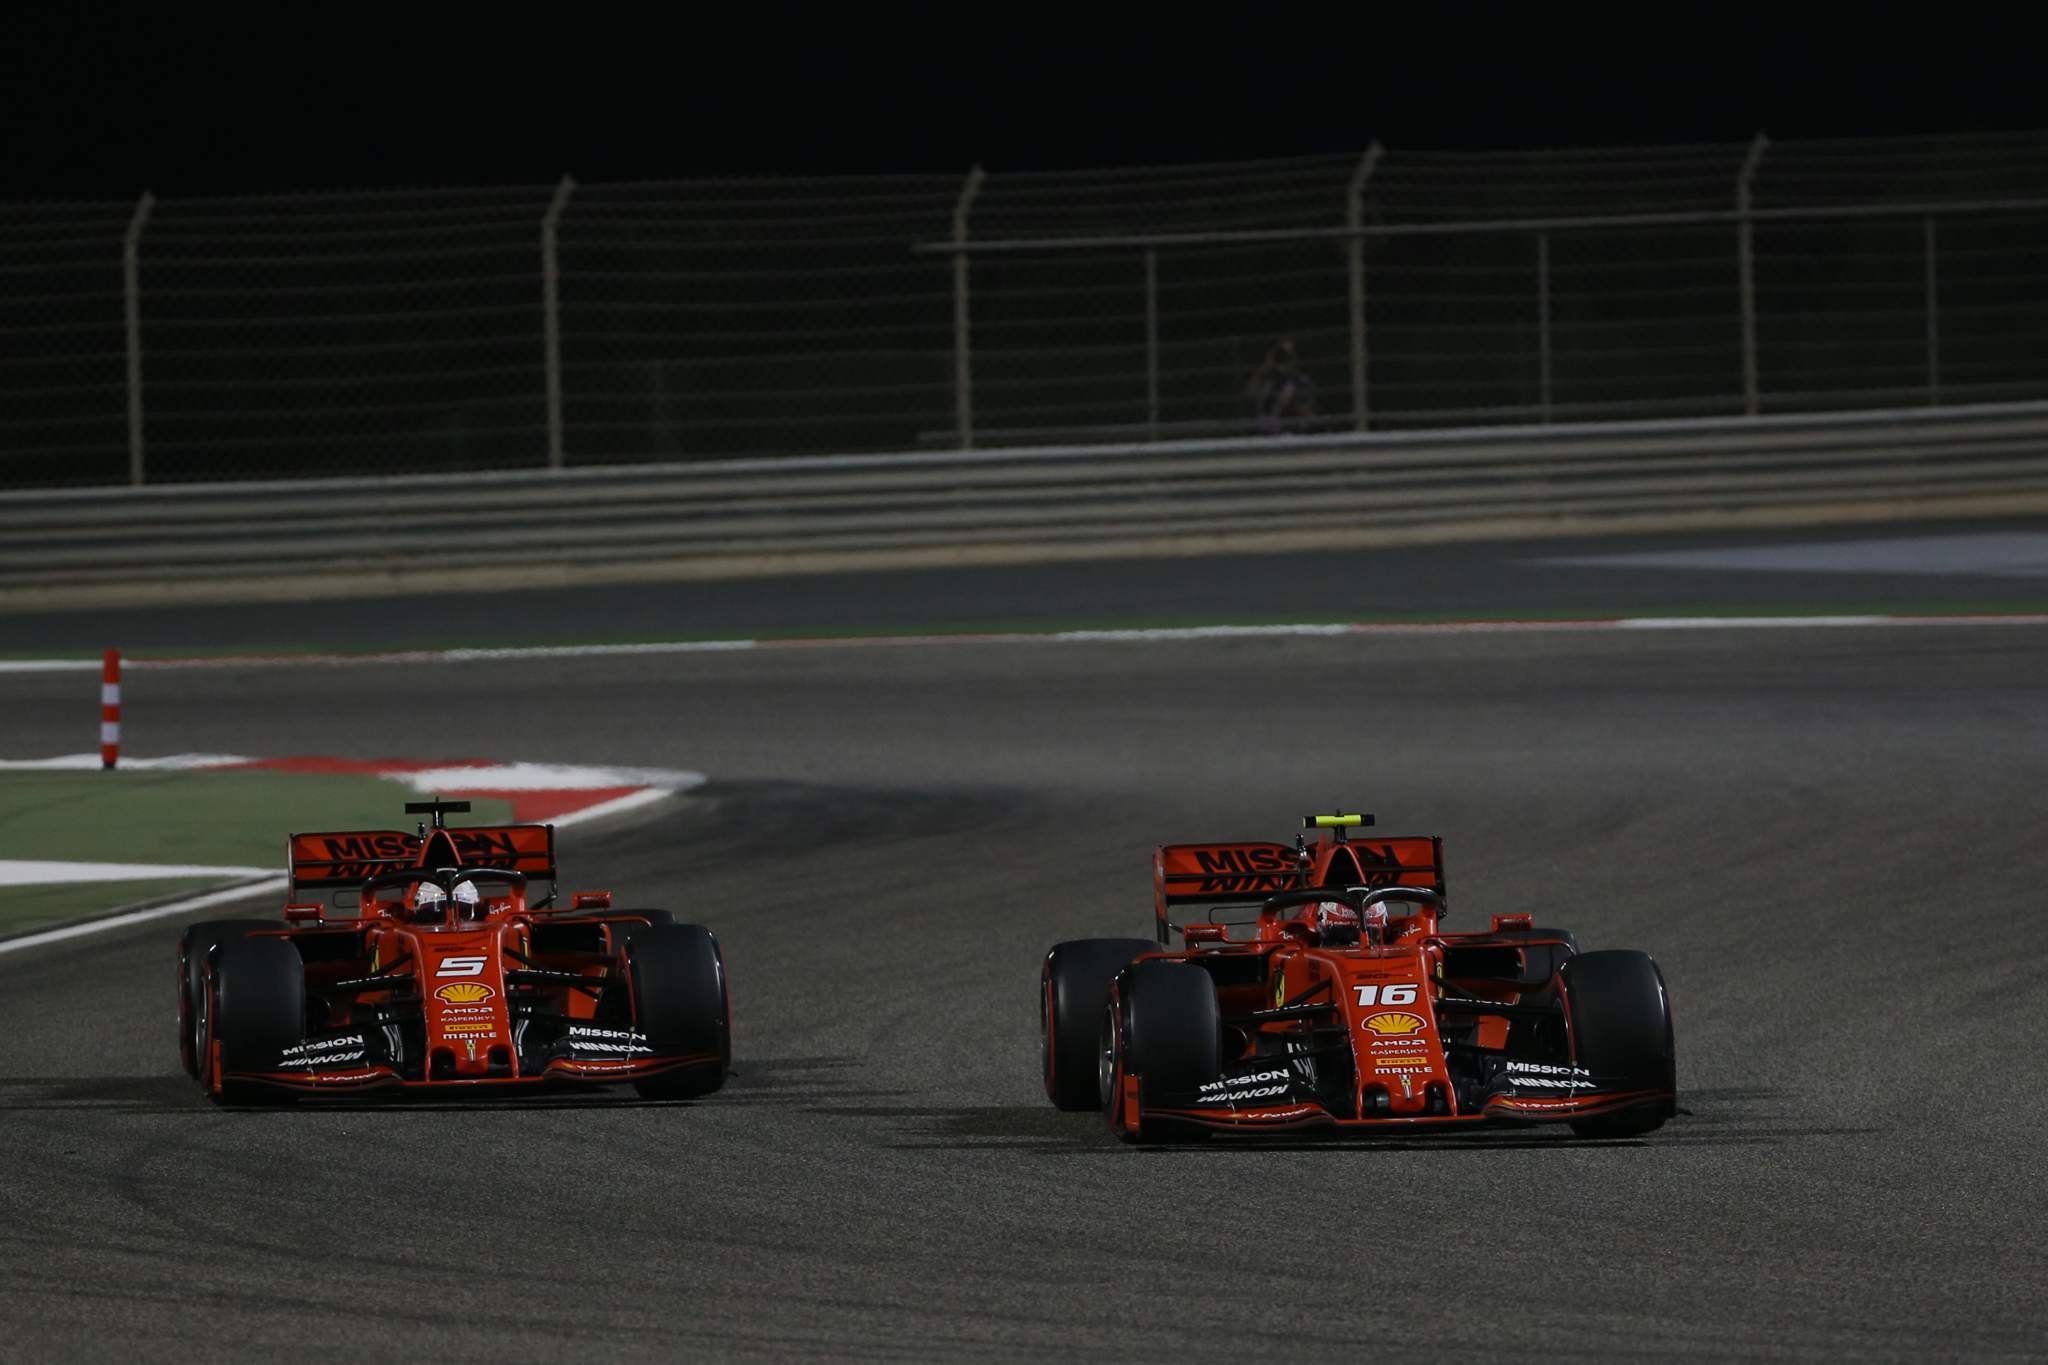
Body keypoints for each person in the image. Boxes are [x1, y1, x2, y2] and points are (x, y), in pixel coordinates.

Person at [1246, 336, 1315, 434]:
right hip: (1264, 432)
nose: (1284, 359)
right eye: (1281, 355)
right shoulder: (1268, 378)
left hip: (1289, 432)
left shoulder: (1300, 381)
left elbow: (1308, 413)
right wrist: (1266, 366)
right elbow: (1249, 392)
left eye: (1288, 355)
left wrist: (1289, 403)